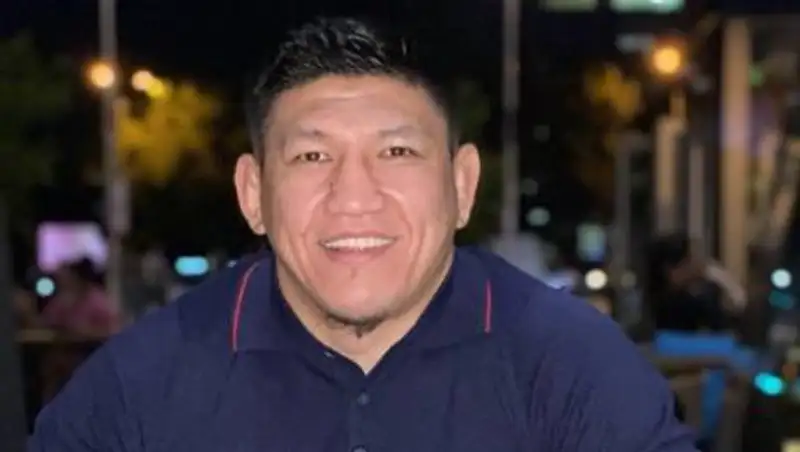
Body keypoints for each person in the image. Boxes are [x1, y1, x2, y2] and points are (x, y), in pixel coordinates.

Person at [29, 18, 697, 451]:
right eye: (312, 156)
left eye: (397, 152)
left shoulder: (573, 368)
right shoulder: (143, 384)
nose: (353, 196)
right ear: (253, 194)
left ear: (462, 186)